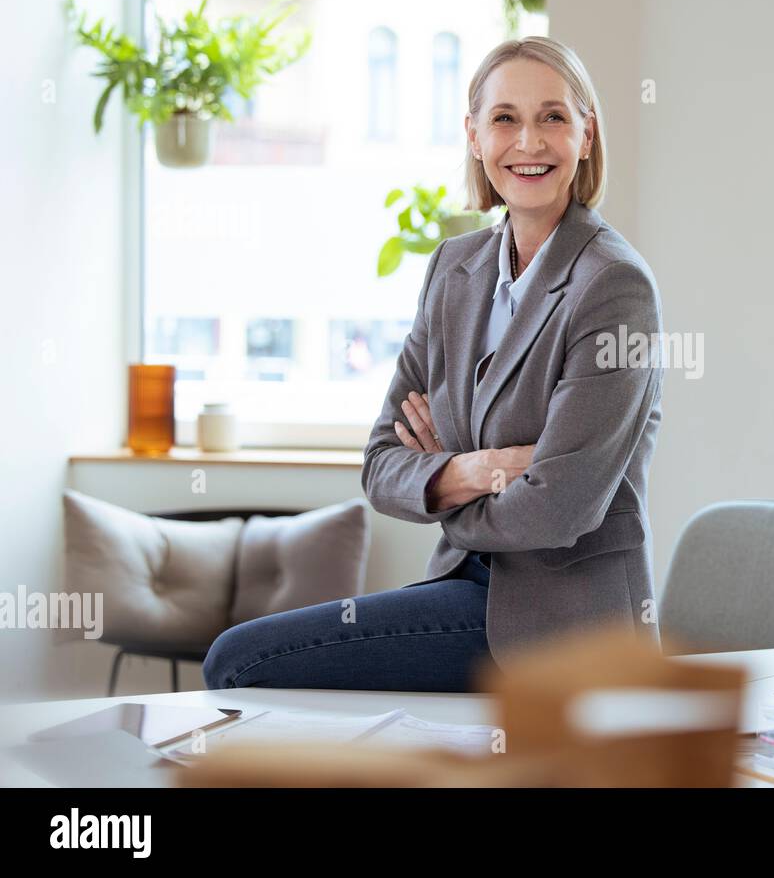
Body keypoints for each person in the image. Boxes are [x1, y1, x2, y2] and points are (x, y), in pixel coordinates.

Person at [203, 37, 664, 692]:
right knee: (249, 664)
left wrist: (445, 488)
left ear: (586, 136)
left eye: (553, 117)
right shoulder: (456, 268)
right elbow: (381, 464)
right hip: (462, 588)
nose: (528, 141)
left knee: (239, 662)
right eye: (504, 118)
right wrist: (484, 467)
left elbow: (560, 509)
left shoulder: (614, 286)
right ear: (474, 136)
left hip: (560, 627)